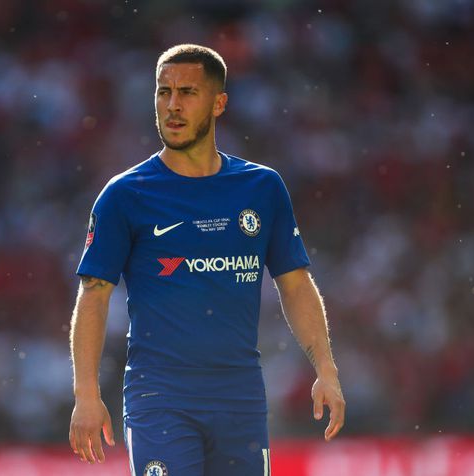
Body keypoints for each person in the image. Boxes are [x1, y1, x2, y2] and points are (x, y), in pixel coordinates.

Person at [68, 44, 345, 476]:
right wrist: (86, 394)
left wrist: (325, 368)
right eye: (164, 92)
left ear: (219, 103)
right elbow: (93, 294)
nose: (172, 106)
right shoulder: (125, 195)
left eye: (187, 92)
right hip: (160, 398)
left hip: (240, 398)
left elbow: (294, 283)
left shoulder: (261, 188)